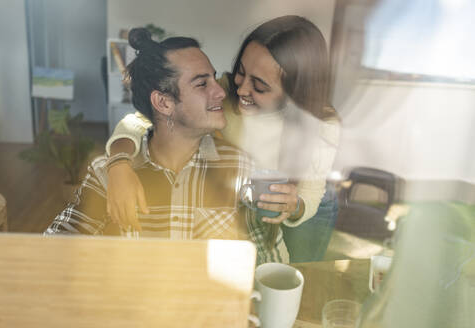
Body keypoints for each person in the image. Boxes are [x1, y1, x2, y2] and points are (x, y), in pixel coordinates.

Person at [106, 16, 341, 262]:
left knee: (298, 275)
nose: (240, 90)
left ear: (295, 91)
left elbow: (311, 195)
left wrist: (296, 206)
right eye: (241, 72)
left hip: (303, 200)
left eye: (259, 86)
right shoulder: (224, 93)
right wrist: (118, 165)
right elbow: (146, 118)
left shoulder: (322, 125)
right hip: (251, 196)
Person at [45, 29, 290, 264]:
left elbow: (269, 260)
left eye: (213, 79)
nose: (221, 92)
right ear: (163, 102)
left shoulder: (241, 168)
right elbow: (52, 253)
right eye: (202, 84)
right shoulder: (108, 173)